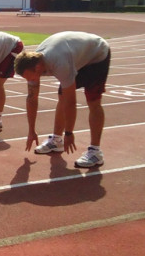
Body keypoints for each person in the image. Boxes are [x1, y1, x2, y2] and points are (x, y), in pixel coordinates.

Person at [14, 31, 111, 169]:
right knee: (62, 96)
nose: (30, 81)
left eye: (30, 77)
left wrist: (69, 133)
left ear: (37, 67)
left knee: (93, 101)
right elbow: (31, 98)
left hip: (96, 56)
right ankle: (56, 140)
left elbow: (71, 102)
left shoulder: (60, 63)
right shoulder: (34, 61)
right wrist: (31, 131)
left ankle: (96, 152)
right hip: (75, 56)